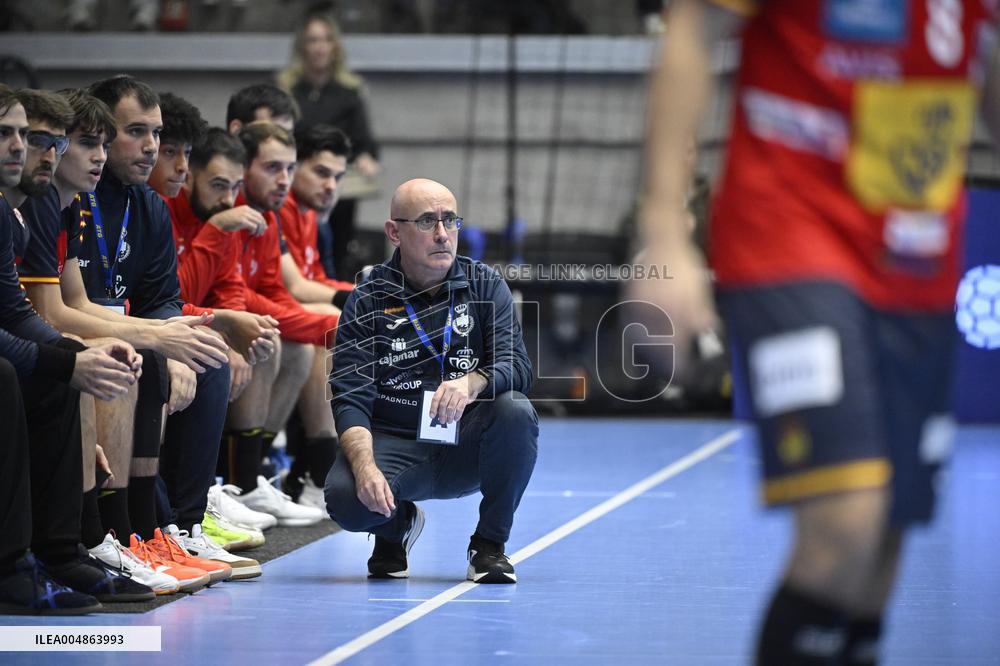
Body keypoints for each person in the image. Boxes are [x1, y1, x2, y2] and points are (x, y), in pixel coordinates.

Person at [636, 2, 1000, 664]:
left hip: (918, 256)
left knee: (884, 542)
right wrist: (665, 235)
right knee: (846, 520)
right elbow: (692, 26)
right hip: (792, 236)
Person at [326, 178, 538, 584]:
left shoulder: (484, 284)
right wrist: (365, 467)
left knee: (515, 409)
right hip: (396, 442)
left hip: (467, 445)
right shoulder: (368, 297)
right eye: (426, 221)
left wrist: (473, 382)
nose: (442, 233)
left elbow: (519, 367)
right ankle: (395, 526)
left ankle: (489, 545)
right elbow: (350, 394)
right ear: (394, 232)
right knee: (345, 499)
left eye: (450, 220)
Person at [0, 83, 154, 613]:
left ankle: (64, 552)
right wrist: (64, 359)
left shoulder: (17, 214)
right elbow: (46, 311)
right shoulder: (34, 209)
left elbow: (18, 315)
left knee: (68, 365)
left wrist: (70, 357)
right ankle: (14, 565)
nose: (29, 149)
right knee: (18, 373)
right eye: (15, 136)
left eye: (39, 138)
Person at [278, 123, 356, 505]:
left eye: (338, 177)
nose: (330, 186)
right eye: (322, 173)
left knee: (349, 319)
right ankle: (317, 471)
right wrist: (361, 296)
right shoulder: (279, 210)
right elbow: (295, 287)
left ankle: (322, 466)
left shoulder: (311, 217)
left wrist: (365, 293)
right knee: (330, 323)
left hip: (283, 313)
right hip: (262, 314)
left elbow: (317, 280)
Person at [278, 13, 381, 280]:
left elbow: (364, 142)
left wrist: (366, 158)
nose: (319, 47)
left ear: (335, 46)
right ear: (302, 46)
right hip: (294, 189)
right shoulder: (286, 90)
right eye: (313, 40)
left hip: (338, 192)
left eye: (325, 40)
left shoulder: (350, 92)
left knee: (335, 253)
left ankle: (334, 285)